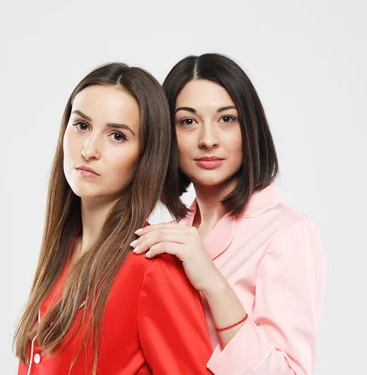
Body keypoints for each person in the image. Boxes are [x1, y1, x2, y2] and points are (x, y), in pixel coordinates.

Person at [132, 53, 326, 375]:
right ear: (167, 134)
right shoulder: (167, 234)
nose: (208, 140)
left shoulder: (287, 233)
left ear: (249, 128)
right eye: (188, 121)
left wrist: (213, 283)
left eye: (226, 119)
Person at [13, 62, 213, 374]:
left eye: (117, 136)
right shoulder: (64, 253)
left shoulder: (152, 269)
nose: (89, 149)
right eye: (81, 126)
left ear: (146, 156)